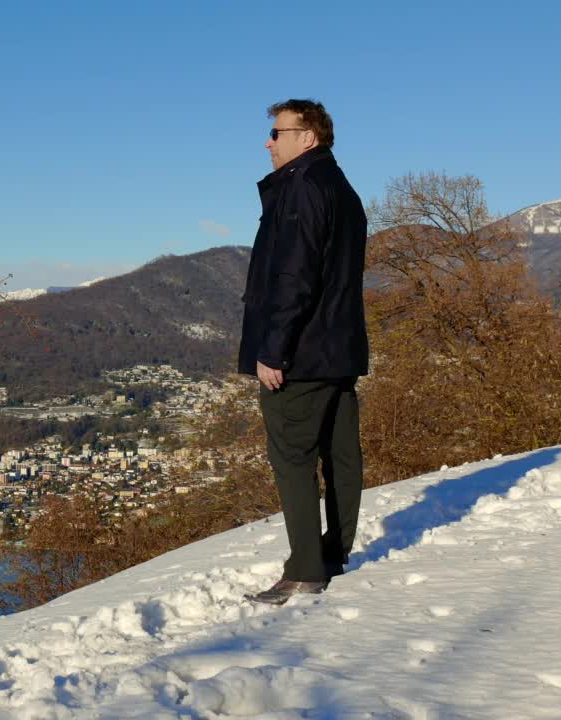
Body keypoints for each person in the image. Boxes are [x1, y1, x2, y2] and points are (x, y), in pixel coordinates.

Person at [238, 99, 369, 605]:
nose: (268, 142)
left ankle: (305, 570)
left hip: (302, 354)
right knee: (340, 456)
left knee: (292, 458)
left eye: (277, 132)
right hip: (338, 350)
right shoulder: (342, 189)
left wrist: (273, 350)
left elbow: (293, 278)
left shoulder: (300, 190)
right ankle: (333, 553)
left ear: (307, 137)